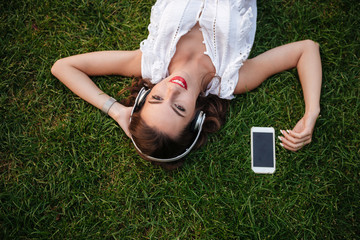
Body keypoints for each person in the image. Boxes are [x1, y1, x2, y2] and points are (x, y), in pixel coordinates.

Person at [51, 0, 322, 169]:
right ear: (196, 117)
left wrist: (117, 110)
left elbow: (63, 67)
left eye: (157, 99)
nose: (172, 89)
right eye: (179, 107)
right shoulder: (231, 79)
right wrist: (311, 114)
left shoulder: (150, 62)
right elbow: (306, 50)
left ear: (146, 95)